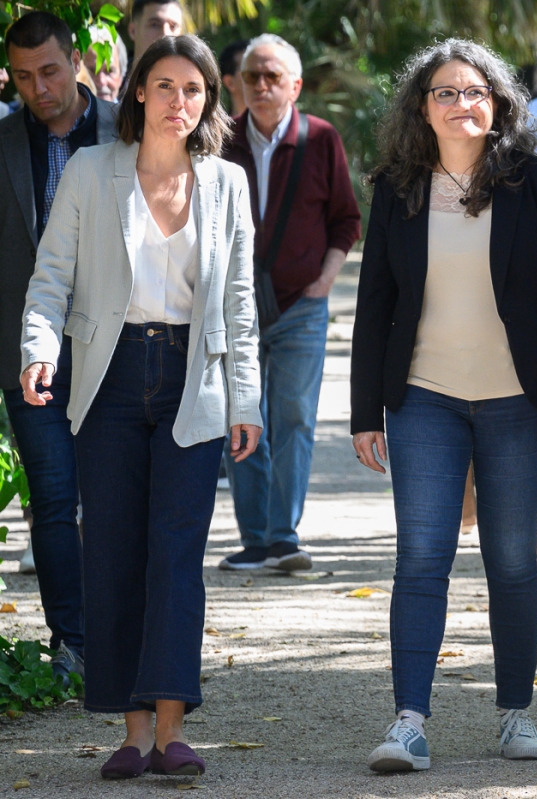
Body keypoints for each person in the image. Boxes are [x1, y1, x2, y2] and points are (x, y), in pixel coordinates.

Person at [20, 33, 261, 779]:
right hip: (109, 373)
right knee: (115, 547)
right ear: (139, 93)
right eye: (164, 86)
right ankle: (130, 734)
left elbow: (242, 302)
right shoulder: (94, 170)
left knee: (177, 552)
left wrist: (247, 397)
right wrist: (40, 348)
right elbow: (51, 275)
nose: (178, 101)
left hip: (194, 375)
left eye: (193, 90)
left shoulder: (225, 183)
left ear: (207, 102)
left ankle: (172, 727)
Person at [350, 38, 537, 773]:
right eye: (446, 92)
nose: (462, 103)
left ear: (500, 105)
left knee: (512, 560)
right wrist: (365, 413)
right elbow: (375, 305)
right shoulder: (396, 189)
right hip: (424, 398)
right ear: (421, 108)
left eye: (475, 91)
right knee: (421, 558)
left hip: (522, 402)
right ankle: (409, 724)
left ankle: (516, 712)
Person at [0, 10, 121, 688]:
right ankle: (71, 642)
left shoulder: (122, 134)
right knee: (51, 497)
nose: (38, 88)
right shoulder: (2, 142)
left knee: (115, 495)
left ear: (75, 60)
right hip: (26, 351)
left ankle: (121, 633)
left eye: (49, 70)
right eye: (22, 76)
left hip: (115, 346)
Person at [219, 33, 361, 572]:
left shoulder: (321, 139)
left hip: (301, 304)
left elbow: (346, 220)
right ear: (237, 82)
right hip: (237, 306)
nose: (260, 85)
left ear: (294, 85)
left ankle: (284, 536)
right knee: (242, 415)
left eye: (272, 76)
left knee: (296, 416)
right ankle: (254, 539)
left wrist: (324, 281)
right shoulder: (221, 140)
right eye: (252, 75)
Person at [120, 0, 184, 96]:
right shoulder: (104, 82)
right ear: (133, 31)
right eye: (155, 25)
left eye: (173, 26)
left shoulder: (194, 92)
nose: (165, 34)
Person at [83, 28, 127, 102]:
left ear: (120, 77)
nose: (101, 82)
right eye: (93, 71)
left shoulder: (131, 113)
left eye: (109, 71)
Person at [218, 39, 248, 116]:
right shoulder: (216, 128)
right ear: (230, 83)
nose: (260, 78)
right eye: (248, 69)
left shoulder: (280, 125)